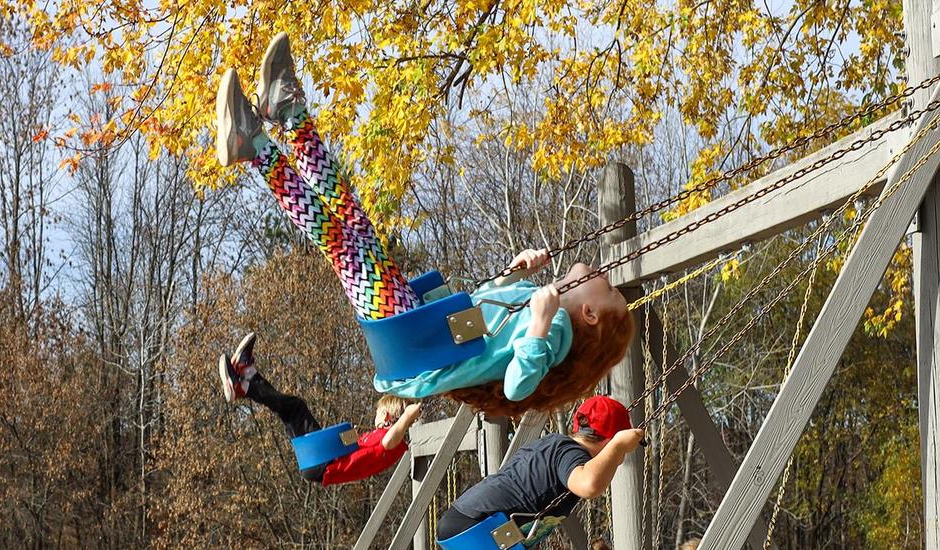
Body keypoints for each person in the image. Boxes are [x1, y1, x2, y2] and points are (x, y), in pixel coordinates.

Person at [213, 33, 636, 416]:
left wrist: (541, 323)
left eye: (610, 290)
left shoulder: (556, 333)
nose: (605, 277)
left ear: (591, 314)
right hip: (418, 327)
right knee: (352, 223)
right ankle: (285, 113)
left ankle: (255, 145)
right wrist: (515, 275)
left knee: (344, 243)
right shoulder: (535, 299)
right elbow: (481, 312)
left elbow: (517, 387)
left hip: (416, 346)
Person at [434, 395, 648, 545]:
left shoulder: (552, 445)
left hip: (465, 520)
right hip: (478, 525)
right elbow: (589, 485)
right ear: (609, 440)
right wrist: (618, 446)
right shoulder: (571, 452)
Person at [218, 332, 424, 486]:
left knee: (296, 407)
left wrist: (406, 416)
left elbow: (390, 440)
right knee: (289, 410)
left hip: (323, 463)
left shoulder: (391, 440)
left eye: (378, 412)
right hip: (318, 461)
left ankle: (246, 382)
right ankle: (247, 380)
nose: (375, 415)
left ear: (388, 415)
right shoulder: (377, 437)